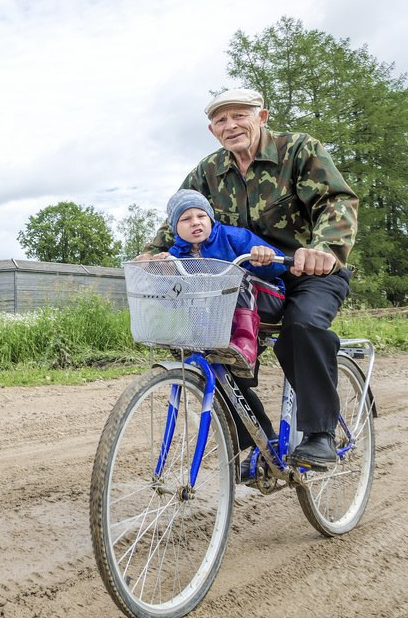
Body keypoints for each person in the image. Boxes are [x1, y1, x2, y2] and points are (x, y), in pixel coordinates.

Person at [140, 88, 358, 471]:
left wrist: (322, 248)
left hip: (307, 271)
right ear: (213, 130)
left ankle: (319, 433)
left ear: (262, 117)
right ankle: (258, 441)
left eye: (240, 115)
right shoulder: (207, 172)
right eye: (222, 120)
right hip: (244, 280)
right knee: (213, 350)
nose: (231, 126)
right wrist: (151, 253)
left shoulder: (298, 151)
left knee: (302, 326)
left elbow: (335, 201)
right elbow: (179, 217)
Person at [162, 188, 287, 379]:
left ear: (210, 219)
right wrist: (165, 271)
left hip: (265, 300)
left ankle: (245, 344)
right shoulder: (176, 254)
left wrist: (265, 258)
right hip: (222, 312)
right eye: (185, 219)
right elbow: (173, 293)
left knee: (233, 276)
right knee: (189, 286)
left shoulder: (233, 236)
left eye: (201, 216)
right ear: (174, 227)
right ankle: (194, 340)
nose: (195, 222)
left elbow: (279, 266)